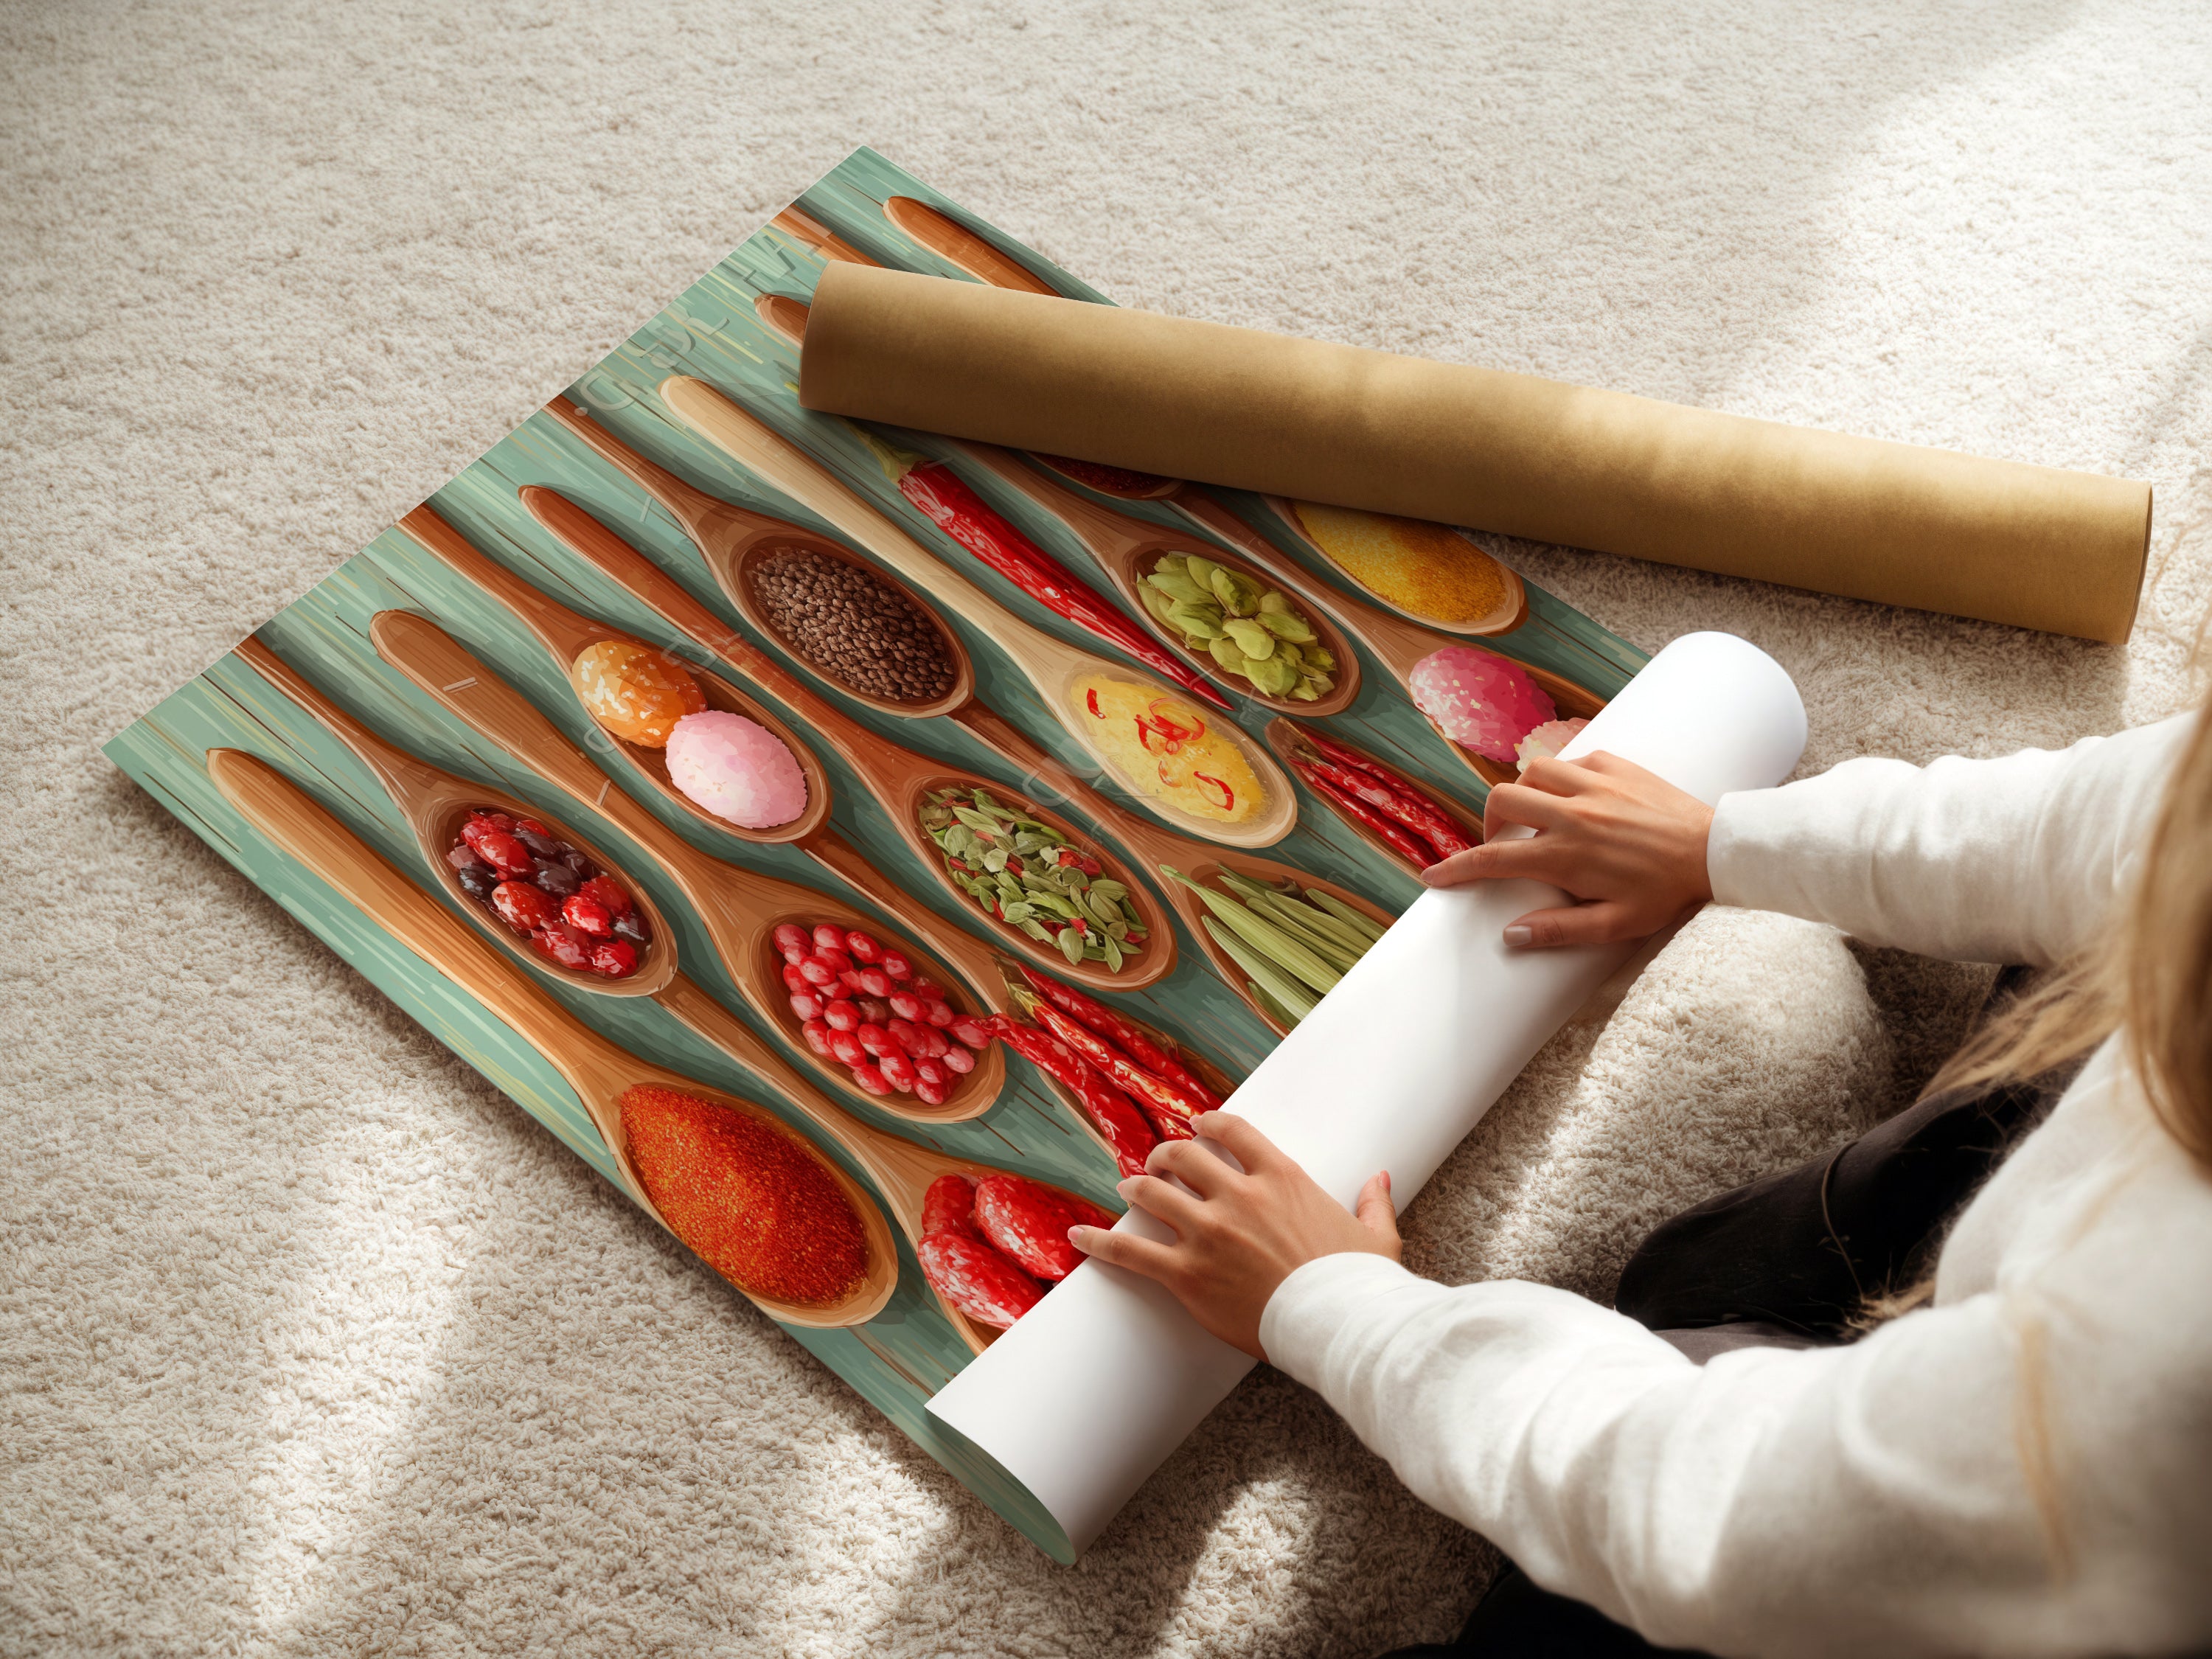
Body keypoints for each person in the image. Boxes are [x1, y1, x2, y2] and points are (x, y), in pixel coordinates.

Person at [1068, 710, 2212, 1657]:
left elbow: (1718, 1512)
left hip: (2043, 1559)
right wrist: (1719, 840)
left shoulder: (2161, 1371)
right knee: (1700, 1273)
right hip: (2067, 1343)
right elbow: (2119, 819)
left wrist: (1336, 1307)